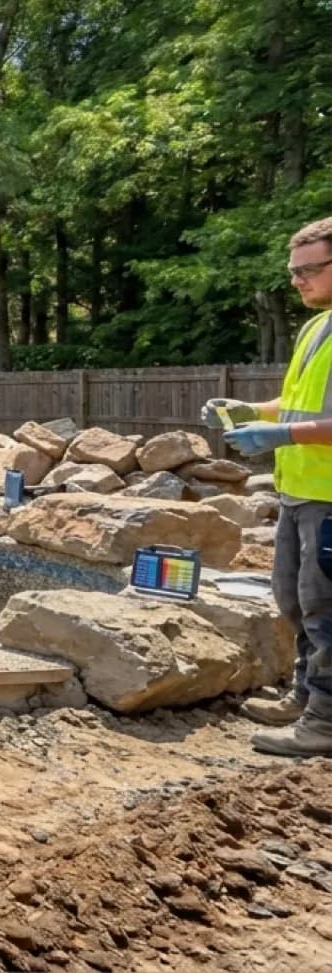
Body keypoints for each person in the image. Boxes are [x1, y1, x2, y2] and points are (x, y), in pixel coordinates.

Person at [204, 216, 332, 758]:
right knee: (295, 601)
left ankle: (325, 724)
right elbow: (300, 400)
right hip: (299, 492)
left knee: (327, 610)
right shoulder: (316, 327)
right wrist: (253, 410)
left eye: (311, 270)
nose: (298, 281)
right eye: (294, 272)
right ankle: (305, 699)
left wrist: (280, 433)